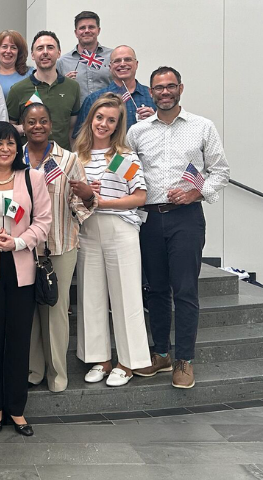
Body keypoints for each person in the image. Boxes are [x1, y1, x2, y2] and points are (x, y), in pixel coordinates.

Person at [128, 67, 230, 388]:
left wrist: (195, 192)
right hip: (149, 219)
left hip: (186, 218)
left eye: (171, 86)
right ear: (151, 91)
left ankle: (184, 359)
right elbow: (127, 173)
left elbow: (220, 172)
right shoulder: (137, 131)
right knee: (155, 289)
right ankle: (162, 353)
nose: (165, 92)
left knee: (184, 290)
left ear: (181, 89)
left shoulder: (202, 127)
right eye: (159, 87)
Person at [0, 121, 51, 437]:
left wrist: (18, 242)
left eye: (10, 143)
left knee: (19, 340)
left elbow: (44, 220)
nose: (4, 149)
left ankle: (17, 409)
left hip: (22, 269)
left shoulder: (32, 178)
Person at [74, 93, 151, 386]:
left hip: (120, 229)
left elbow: (140, 196)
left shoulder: (123, 156)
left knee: (125, 296)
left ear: (118, 125)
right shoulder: (77, 155)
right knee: (90, 296)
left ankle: (127, 363)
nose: (103, 124)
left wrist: (100, 200)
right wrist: (81, 196)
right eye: (99, 117)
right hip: (88, 230)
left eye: (111, 120)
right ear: (90, 117)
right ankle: (100, 359)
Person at [20, 103, 96, 393]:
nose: (37, 126)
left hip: (60, 246)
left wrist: (89, 197)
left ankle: (58, 373)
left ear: (51, 125)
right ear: (23, 126)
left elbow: (80, 206)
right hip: (23, 247)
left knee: (55, 309)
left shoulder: (68, 160)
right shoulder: (14, 157)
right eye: (30, 122)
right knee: (29, 312)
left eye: (42, 121)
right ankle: (34, 369)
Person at [7, 31, 81, 151]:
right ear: (32, 55)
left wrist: (74, 157)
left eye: (50, 47)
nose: (45, 52)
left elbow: (72, 128)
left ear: (59, 53)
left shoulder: (73, 87)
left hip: (62, 159)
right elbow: (9, 128)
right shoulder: (18, 90)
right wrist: (27, 127)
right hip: (28, 160)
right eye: (40, 48)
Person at [73, 45, 156, 138]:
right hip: (108, 152)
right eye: (117, 61)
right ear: (110, 67)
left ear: (136, 64)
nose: (123, 64)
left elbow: (166, 130)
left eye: (128, 59)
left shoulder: (153, 95)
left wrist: (155, 120)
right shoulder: (93, 99)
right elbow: (81, 138)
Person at [57, 11, 112, 101]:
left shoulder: (111, 56)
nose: (87, 31)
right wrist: (64, 84)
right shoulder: (63, 62)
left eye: (91, 27)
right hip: (78, 114)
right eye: (82, 28)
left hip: (107, 112)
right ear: (76, 33)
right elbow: (58, 95)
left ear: (98, 30)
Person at [0, 30, 32, 98]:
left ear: (19, 52)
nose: (8, 51)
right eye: (4, 46)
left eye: (13, 47)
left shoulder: (31, 75)